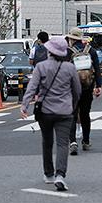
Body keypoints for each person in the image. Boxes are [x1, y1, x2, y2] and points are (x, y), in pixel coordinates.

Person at [21, 36, 81, 192]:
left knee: (47, 142)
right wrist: (72, 105)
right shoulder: (70, 68)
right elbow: (77, 91)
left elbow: (32, 88)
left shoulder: (40, 67)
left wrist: (24, 106)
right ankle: (60, 175)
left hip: (45, 111)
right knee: (63, 144)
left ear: (49, 51)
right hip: (65, 111)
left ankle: (48, 174)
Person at [66, 28, 102, 155]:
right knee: (85, 114)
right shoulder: (91, 50)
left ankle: (72, 142)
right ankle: (86, 141)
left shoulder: (67, 52)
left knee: (72, 114)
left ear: (71, 39)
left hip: (72, 88)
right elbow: (97, 68)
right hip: (87, 87)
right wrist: (99, 85)